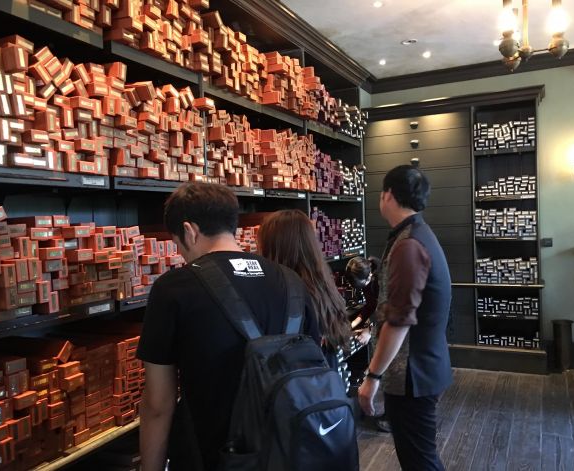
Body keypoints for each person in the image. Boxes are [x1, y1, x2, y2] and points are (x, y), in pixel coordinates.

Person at [136, 183, 320, 471]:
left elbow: (159, 404)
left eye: (177, 243)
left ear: (189, 231)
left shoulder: (173, 288)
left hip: (212, 456)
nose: (181, 253)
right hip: (291, 451)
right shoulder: (291, 281)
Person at [357, 165, 453, 471]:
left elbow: (398, 322)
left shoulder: (409, 244)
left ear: (387, 195)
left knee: (419, 462)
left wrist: (372, 377)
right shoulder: (415, 234)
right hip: (424, 367)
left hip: (414, 374)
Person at [257, 209, 351, 368]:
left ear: (273, 247)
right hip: (324, 377)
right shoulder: (321, 284)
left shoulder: (284, 293)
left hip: (298, 379)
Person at [345, 256, 392, 434]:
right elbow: (370, 306)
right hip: (381, 324)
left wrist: (369, 330)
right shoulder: (366, 282)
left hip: (393, 327)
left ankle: (391, 417)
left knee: (388, 370)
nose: (360, 288)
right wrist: (354, 323)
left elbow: (385, 311)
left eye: (361, 284)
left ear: (370, 275)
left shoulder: (382, 282)